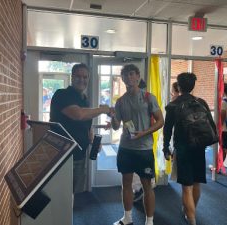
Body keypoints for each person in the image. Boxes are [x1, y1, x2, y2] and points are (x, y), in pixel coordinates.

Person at [110, 64, 164, 225]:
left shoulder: (148, 97)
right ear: (123, 79)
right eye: (125, 75)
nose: (129, 78)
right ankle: (127, 218)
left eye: (132, 74)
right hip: (126, 148)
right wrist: (112, 116)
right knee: (125, 183)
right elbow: (115, 126)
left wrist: (144, 133)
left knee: (147, 186)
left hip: (144, 149)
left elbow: (161, 121)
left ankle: (149, 221)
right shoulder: (120, 101)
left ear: (138, 76)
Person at [50, 63, 112, 194]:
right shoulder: (62, 94)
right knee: (61, 195)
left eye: (85, 77)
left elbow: (86, 124)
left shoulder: (84, 99)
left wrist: (93, 139)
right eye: (78, 76)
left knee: (73, 194)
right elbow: (78, 115)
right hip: (62, 156)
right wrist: (102, 109)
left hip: (79, 156)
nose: (82, 80)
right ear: (72, 77)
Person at [163, 73, 209, 225]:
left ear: (179, 86)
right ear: (193, 86)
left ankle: (191, 219)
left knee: (186, 188)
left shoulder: (173, 105)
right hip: (199, 148)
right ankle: (191, 212)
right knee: (196, 184)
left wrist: (165, 148)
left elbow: (167, 129)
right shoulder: (201, 102)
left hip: (183, 149)